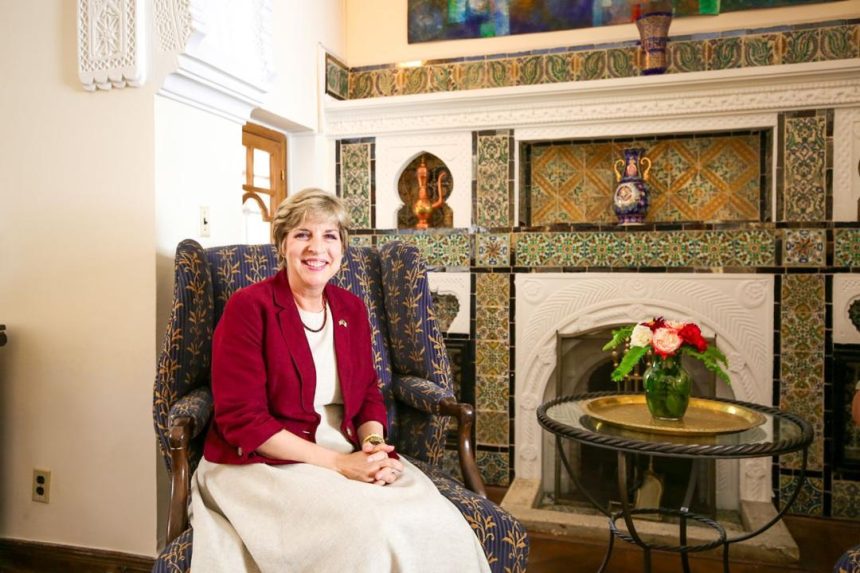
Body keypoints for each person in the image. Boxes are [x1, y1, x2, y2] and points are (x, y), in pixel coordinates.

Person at [189, 188, 491, 572]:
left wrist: (374, 448)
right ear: (282, 245)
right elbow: (242, 421)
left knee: (437, 521)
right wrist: (342, 464)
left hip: (339, 445)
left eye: (329, 235)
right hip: (259, 463)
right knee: (369, 529)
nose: (317, 247)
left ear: (342, 249)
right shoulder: (249, 307)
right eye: (302, 234)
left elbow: (367, 393)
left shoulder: (351, 308)